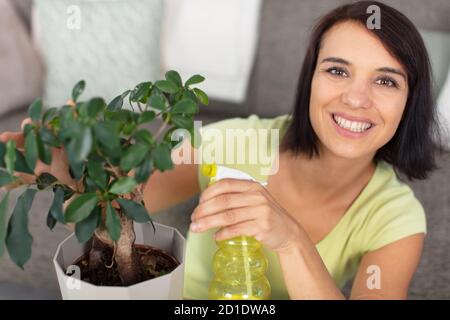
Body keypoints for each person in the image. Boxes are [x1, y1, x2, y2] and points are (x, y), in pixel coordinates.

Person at [0, 1, 443, 299]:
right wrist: (44, 157)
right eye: (337, 71)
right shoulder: (234, 142)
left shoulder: (394, 217)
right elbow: (122, 198)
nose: (355, 99)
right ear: (311, 80)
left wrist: (289, 239)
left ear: (411, 100)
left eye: (385, 80)